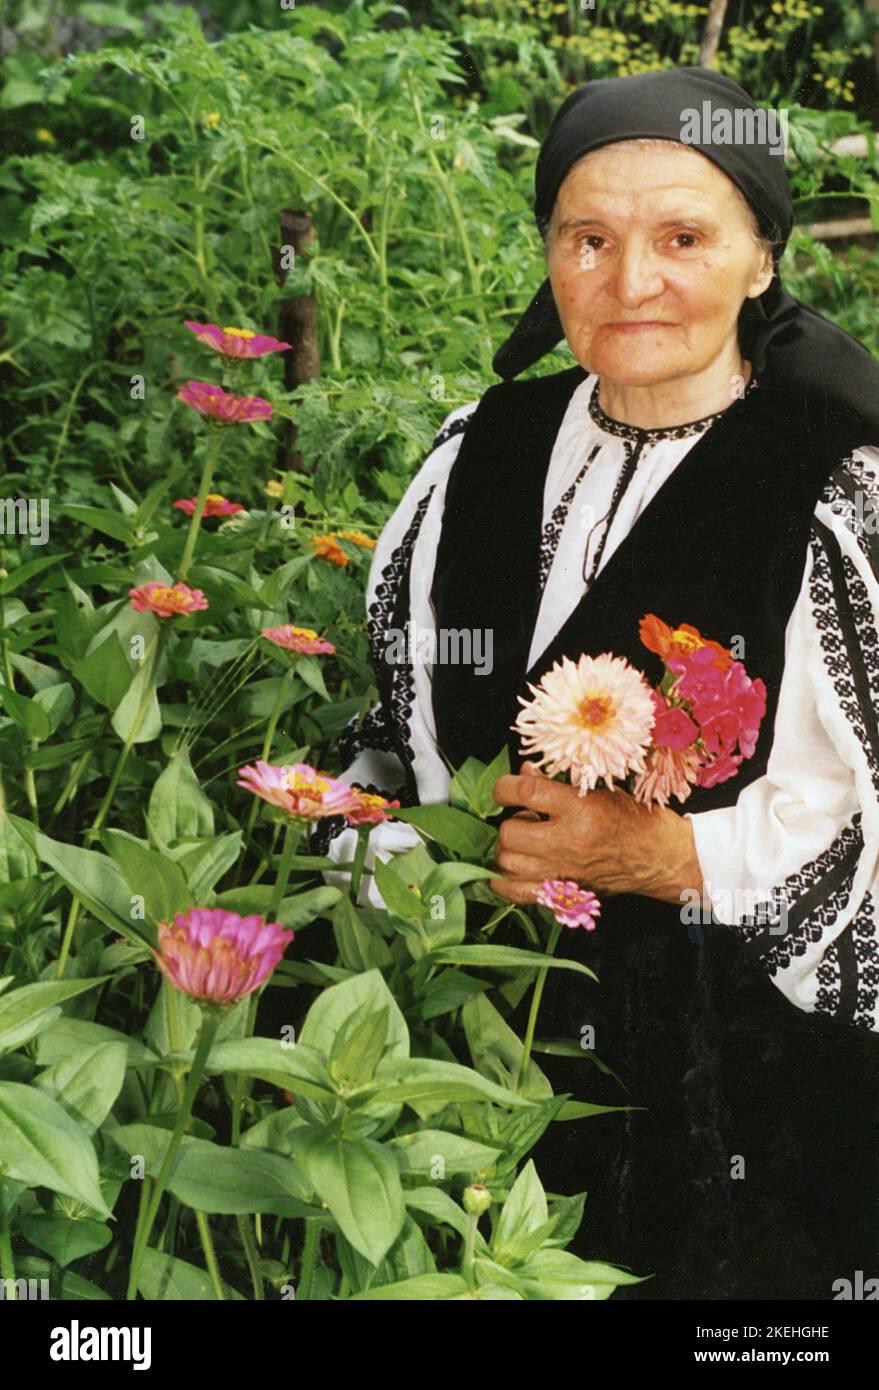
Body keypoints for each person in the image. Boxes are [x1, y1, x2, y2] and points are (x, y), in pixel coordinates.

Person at [314, 67, 879, 1299]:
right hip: (473, 1051)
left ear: (763, 259)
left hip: (742, 1095)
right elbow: (389, 724)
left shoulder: (840, 482)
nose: (633, 283)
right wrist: (398, 847)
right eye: (589, 238)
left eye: (684, 236)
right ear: (552, 256)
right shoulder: (482, 451)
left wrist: (672, 856)